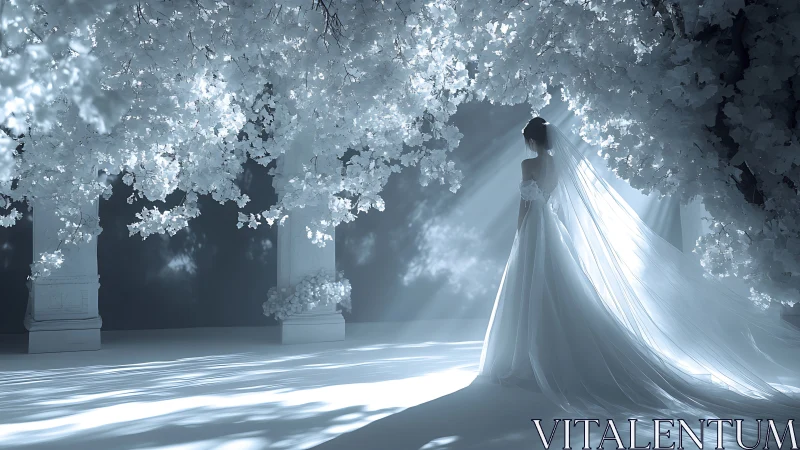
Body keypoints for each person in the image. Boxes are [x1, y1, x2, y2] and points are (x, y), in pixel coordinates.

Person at [477, 117, 800, 419]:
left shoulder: (528, 164)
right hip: (552, 224)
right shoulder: (559, 165)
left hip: (536, 225)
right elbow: (554, 198)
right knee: (558, 284)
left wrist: (521, 231)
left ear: (532, 140)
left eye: (528, 141)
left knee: (532, 281)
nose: (528, 146)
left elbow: (526, 201)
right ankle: (555, 354)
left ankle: (528, 359)